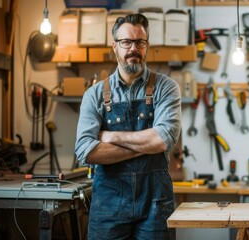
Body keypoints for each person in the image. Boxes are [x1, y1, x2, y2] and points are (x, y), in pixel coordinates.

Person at [74, 13, 181, 240]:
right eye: (126, 42)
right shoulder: (94, 95)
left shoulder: (166, 87)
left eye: (139, 42)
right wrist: (146, 144)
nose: (133, 48)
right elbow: (86, 150)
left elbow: (163, 140)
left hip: (155, 204)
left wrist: (110, 137)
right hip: (108, 206)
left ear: (147, 46)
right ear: (115, 46)